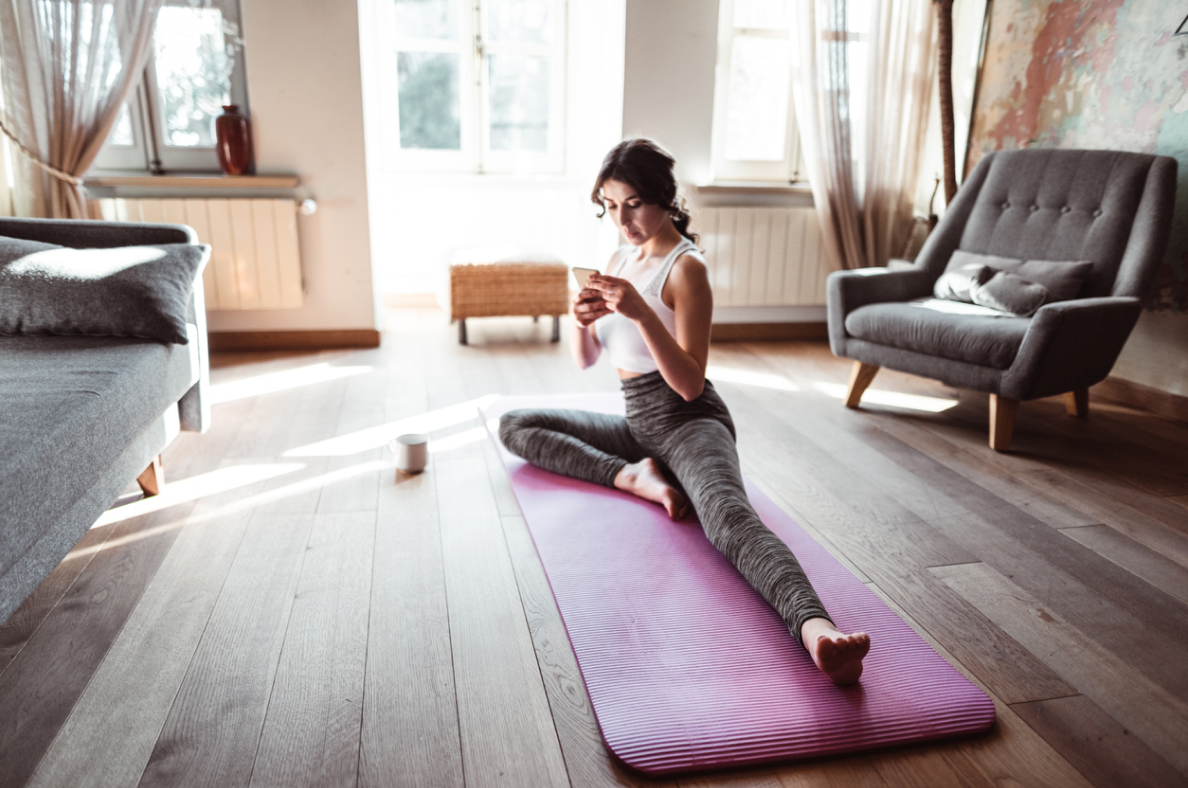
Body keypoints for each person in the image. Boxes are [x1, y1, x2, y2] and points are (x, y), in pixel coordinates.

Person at [499, 138, 870, 685]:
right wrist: (579, 319)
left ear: (664, 199)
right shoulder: (619, 258)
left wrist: (643, 313)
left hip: (690, 424)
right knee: (516, 425)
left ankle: (819, 632)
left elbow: (691, 384)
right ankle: (634, 477)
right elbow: (586, 361)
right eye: (610, 205)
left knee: (727, 521)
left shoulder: (685, 269)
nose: (622, 220)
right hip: (639, 427)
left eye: (633, 204)